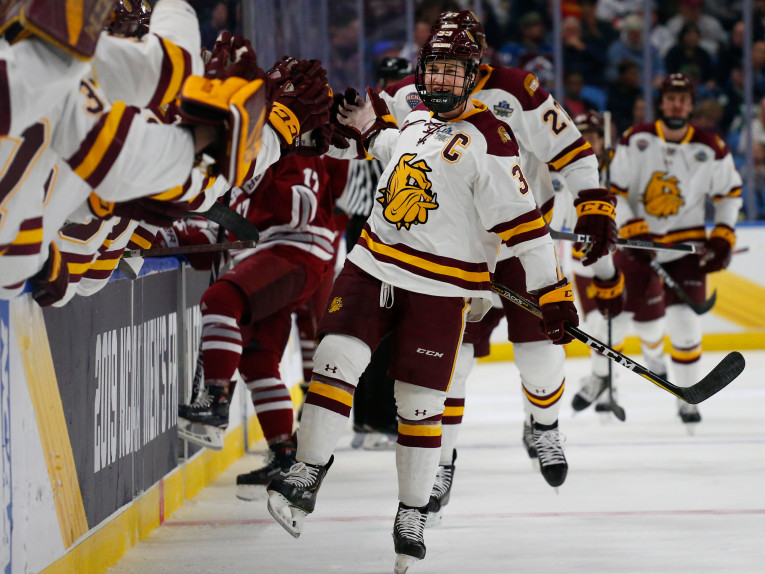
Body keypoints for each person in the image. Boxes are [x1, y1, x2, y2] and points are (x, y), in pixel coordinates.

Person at [266, 29, 579, 573]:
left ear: (472, 74)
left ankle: (411, 512)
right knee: (335, 360)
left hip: (442, 288)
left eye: (453, 70)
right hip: (374, 264)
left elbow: (526, 230)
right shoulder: (411, 114)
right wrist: (364, 124)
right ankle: (306, 473)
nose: (439, 79)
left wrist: (550, 293)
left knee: (417, 404)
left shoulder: (494, 140)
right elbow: (389, 149)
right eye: (433, 68)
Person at [375, 11, 617, 524]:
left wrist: (593, 203)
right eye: (438, 60)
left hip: (521, 245)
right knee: (452, 361)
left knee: (540, 353)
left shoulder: (518, 91)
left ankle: (545, 427)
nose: (446, 70)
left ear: (480, 54)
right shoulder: (409, 93)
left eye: (461, 56)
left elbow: (572, 149)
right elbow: (368, 135)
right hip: (454, 252)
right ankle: (442, 461)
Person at [172, 153, 339, 493]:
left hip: (294, 253)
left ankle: (216, 400)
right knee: (258, 362)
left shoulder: (293, 147)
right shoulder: (238, 165)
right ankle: (285, 456)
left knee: (219, 301)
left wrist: (249, 171)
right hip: (269, 260)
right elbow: (213, 238)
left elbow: (302, 210)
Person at [604, 73, 742, 426]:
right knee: (623, 320)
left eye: (683, 98)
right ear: (661, 102)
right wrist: (632, 225)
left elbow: (729, 193)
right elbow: (614, 188)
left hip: (686, 247)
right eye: (670, 98)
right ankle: (625, 374)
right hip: (638, 243)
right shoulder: (636, 139)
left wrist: (724, 235)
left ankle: (687, 398)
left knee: (685, 327)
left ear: (691, 104)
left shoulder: (711, 147)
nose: (676, 104)